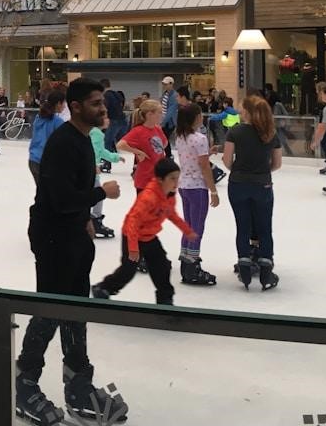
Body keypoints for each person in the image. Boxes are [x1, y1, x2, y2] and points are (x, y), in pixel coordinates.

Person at [15, 78, 127, 425]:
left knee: (75, 309)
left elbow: (70, 195)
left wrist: (85, 220)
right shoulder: (63, 143)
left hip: (73, 234)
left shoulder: (82, 139)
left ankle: (78, 382)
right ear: (76, 107)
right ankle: (25, 384)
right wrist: (101, 194)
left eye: (102, 102)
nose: (102, 108)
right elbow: (61, 199)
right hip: (53, 238)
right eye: (95, 103)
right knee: (49, 309)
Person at [91, 158, 198, 305]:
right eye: (172, 178)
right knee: (128, 270)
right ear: (160, 179)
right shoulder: (149, 197)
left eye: (177, 178)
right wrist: (133, 248)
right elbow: (133, 222)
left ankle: (165, 299)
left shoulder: (169, 195)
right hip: (132, 236)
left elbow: (171, 214)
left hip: (149, 237)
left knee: (162, 266)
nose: (176, 182)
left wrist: (187, 230)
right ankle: (103, 288)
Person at [223, 96, 283, 291]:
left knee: (243, 227)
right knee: (265, 227)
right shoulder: (270, 133)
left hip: (238, 184)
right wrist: (262, 173)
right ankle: (266, 269)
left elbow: (227, 160)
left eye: (242, 109)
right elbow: (277, 163)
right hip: (262, 185)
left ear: (248, 112)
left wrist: (239, 171)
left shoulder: (235, 131)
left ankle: (244, 267)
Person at [172, 104, 220, 285]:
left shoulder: (181, 137)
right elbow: (204, 166)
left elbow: (194, 158)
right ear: (194, 118)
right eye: (200, 115)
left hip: (184, 185)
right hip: (197, 188)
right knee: (197, 228)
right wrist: (213, 190)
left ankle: (185, 262)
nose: (202, 117)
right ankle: (193, 266)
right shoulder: (200, 138)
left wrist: (208, 153)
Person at [117, 99, 167, 193]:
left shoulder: (157, 129)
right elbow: (120, 145)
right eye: (159, 112)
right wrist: (138, 152)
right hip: (145, 180)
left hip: (159, 178)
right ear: (149, 114)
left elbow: (164, 143)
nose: (162, 115)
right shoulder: (138, 131)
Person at [89, 115, 122, 239]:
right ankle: (95, 219)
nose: (108, 120)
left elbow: (101, 151)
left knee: (94, 194)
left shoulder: (95, 132)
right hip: (91, 172)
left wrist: (115, 157)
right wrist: (93, 165)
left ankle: (90, 219)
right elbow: (93, 150)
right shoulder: (97, 134)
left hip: (90, 170)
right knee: (98, 195)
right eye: (106, 118)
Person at [27, 90, 65, 185]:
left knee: (43, 191)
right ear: (58, 104)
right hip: (46, 162)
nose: (64, 106)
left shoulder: (39, 117)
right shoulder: (58, 122)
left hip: (33, 160)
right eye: (64, 103)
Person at [100, 79, 127, 173]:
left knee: (106, 142)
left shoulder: (106, 96)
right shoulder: (117, 94)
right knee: (112, 141)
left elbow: (105, 109)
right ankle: (110, 158)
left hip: (113, 120)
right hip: (122, 120)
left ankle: (106, 163)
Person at [160, 76, 178, 142]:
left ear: (171, 84)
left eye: (166, 84)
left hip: (169, 122)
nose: (164, 85)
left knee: (165, 140)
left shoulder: (174, 95)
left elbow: (171, 111)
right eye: (163, 84)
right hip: (162, 119)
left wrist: (162, 123)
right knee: (164, 140)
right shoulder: (165, 94)